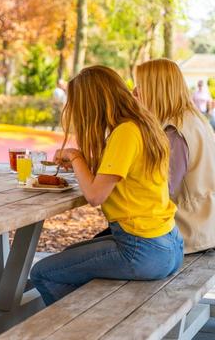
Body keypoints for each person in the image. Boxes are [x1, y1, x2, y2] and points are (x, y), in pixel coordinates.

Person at [30, 65, 183, 306]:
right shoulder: (143, 124)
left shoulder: (125, 132)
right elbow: (126, 175)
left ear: (93, 103)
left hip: (143, 249)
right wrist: (83, 165)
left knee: (43, 272)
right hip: (170, 243)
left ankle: (78, 328)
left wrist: (75, 156)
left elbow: (95, 195)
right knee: (69, 257)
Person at [135, 59, 215, 254]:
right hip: (203, 224)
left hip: (186, 231)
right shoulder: (193, 118)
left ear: (156, 89)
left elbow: (158, 190)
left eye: (140, 86)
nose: (134, 92)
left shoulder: (174, 132)